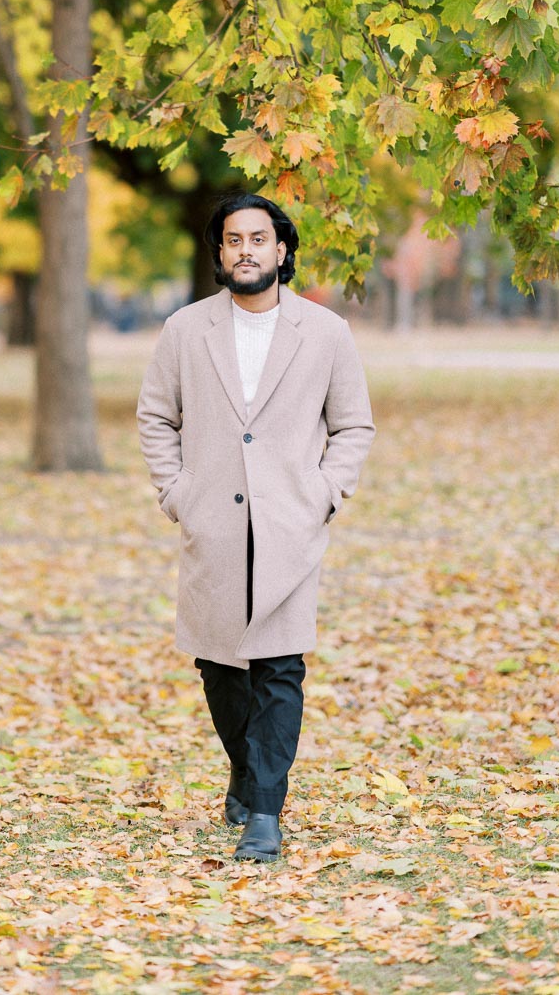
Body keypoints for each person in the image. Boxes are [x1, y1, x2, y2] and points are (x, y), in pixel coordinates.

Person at [136, 192, 375, 862]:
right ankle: (246, 770)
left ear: (282, 250)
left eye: (258, 238)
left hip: (290, 526)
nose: (246, 249)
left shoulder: (326, 333)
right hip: (210, 522)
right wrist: (179, 493)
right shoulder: (186, 330)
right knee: (219, 665)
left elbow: (353, 424)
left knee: (279, 666)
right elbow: (156, 417)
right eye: (233, 239)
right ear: (219, 252)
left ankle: (264, 812)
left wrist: (325, 492)